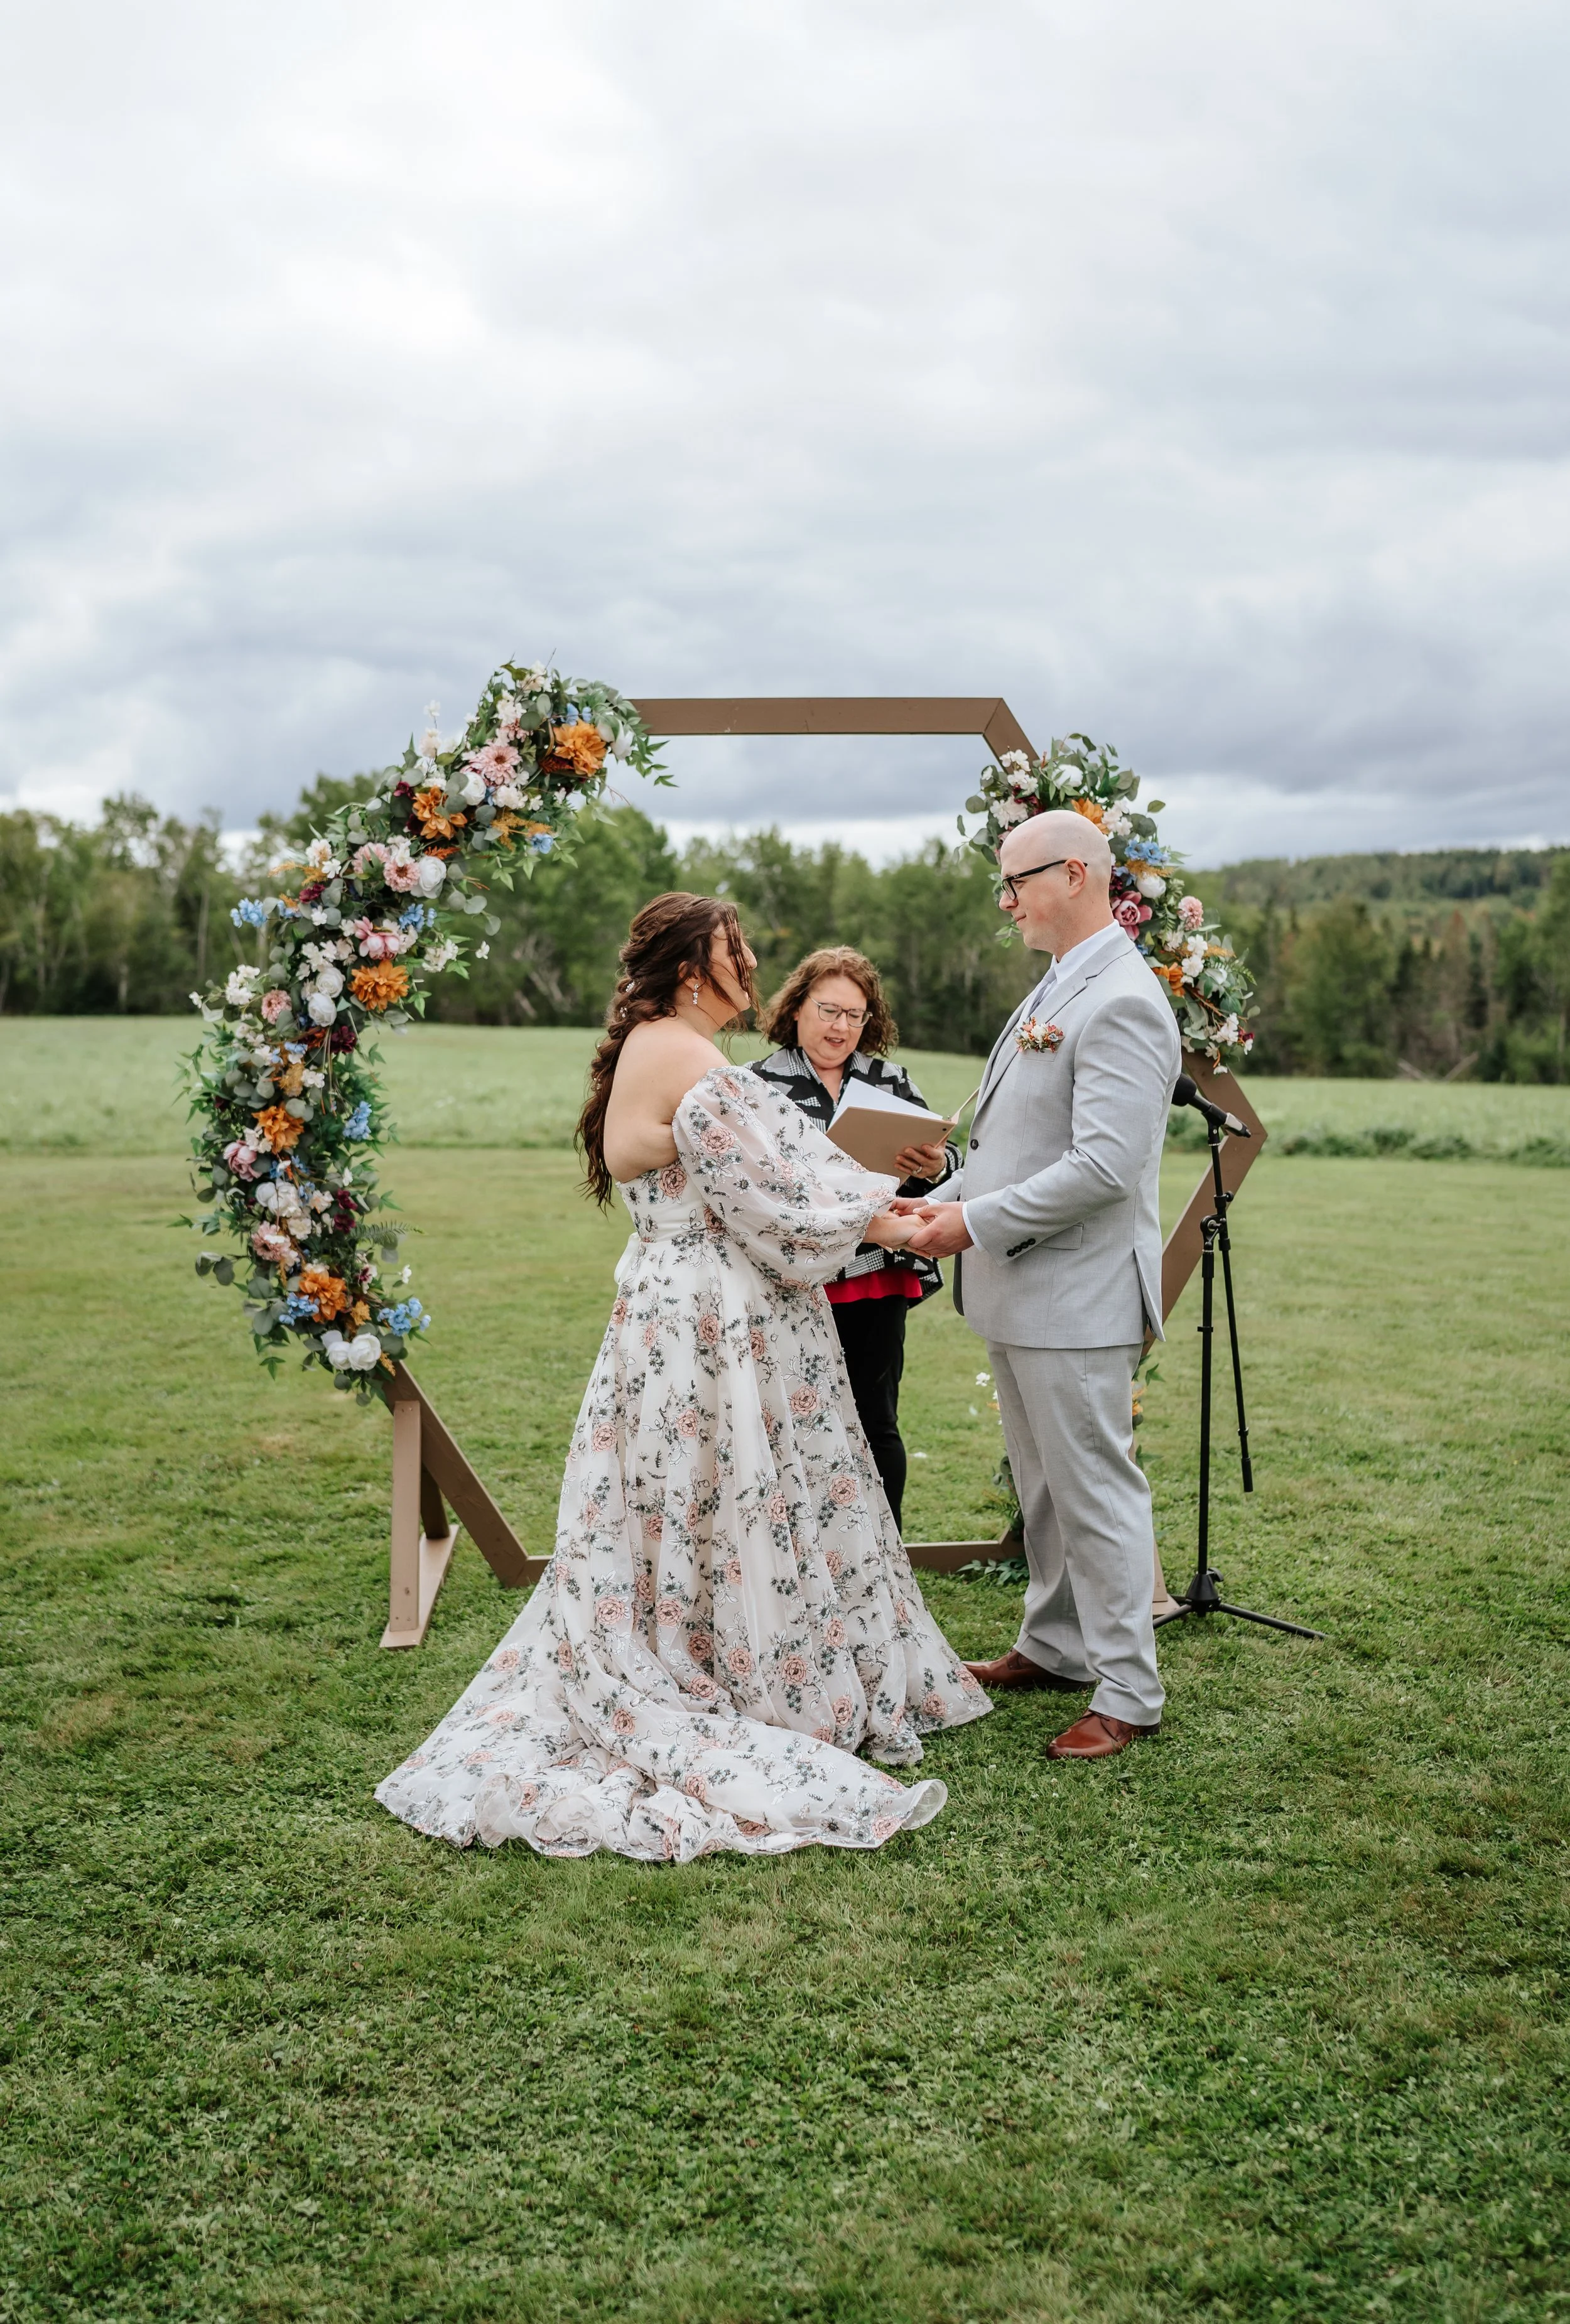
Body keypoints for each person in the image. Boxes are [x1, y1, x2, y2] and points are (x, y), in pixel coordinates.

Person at [376, 893, 988, 1863]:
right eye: (735, 952)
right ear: (694, 969)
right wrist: (900, 1217)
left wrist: (881, 1199)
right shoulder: (691, 1056)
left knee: (684, 1496)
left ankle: (699, 1640)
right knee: (733, 1488)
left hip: (668, 1308)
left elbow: (758, 1173)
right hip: (715, 1316)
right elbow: (776, 1194)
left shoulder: (658, 1047)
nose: (752, 966)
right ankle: (739, 1669)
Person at [901, 809, 1180, 1762]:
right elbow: (1014, 1144)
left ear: (1075, 874)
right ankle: (1055, 1645)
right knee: (1045, 1487)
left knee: (1095, 1488)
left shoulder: (1126, 999)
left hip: (1077, 1292)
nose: (1006, 900)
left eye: (1015, 881)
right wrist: (936, 1200)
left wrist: (970, 1222)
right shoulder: (1058, 986)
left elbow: (1103, 1166)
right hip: (1022, 1288)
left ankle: (1130, 1692)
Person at [750, 947, 955, 1529]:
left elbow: (943, 1164)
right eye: (829, 1010)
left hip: (875, 1276)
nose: (841, 1026)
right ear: (796, 1009)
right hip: (797, 1278)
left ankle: (883, 1560)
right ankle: (806, 1561)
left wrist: (932, 1165)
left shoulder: (889, 1080)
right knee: (794, 1421)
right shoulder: (758, 1085)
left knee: (875, 1419)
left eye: (855, 1015)